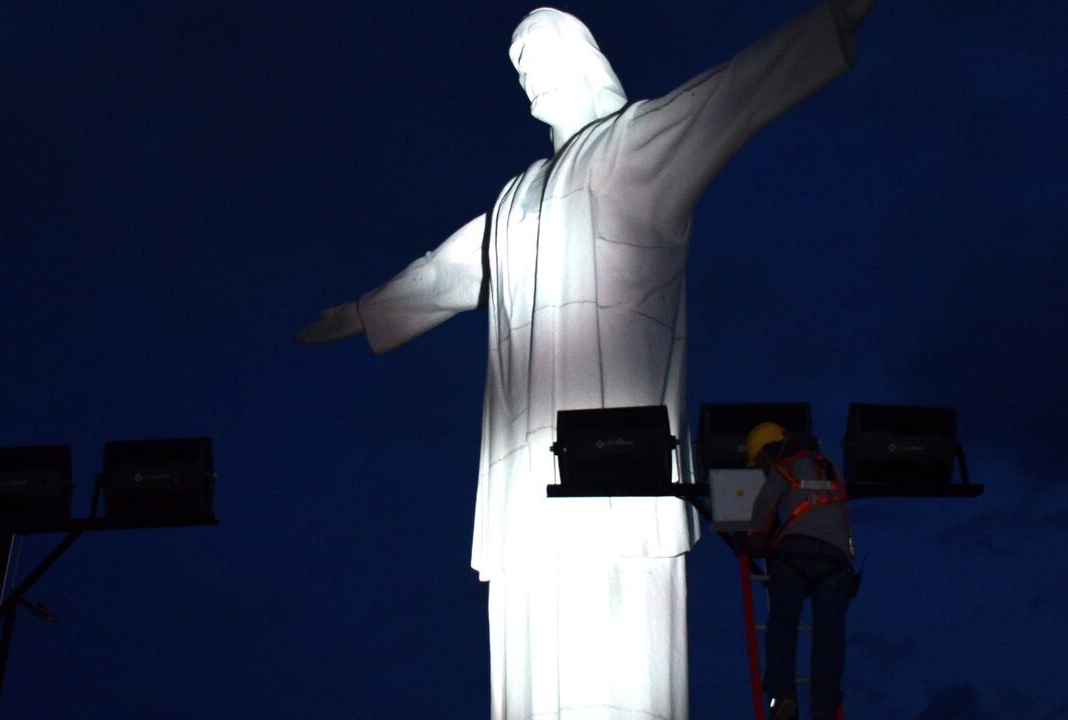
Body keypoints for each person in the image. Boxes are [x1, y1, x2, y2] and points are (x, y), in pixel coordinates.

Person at [297, 3, 874, 718]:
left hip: (618, 487)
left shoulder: (634, 150)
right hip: (523, 491)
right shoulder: (515, 201)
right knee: (531, 663)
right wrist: (366, 311)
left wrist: (833, 20)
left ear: (583, 58)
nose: (532, 81)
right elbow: (447, 273)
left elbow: (735, 91)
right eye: (520, 70)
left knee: (619, 659)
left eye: (541, 58)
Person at [745, 422, 855, 720]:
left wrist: (755, 533)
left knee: (782, 624)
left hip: (793, 555)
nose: (763, 468)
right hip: (836, 563)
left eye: (761, 463)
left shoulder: (786, 467)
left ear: (769, 453)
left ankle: (782, 699)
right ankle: (825, 707)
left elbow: (766, 499)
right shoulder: (830, 464)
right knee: (829, 634)